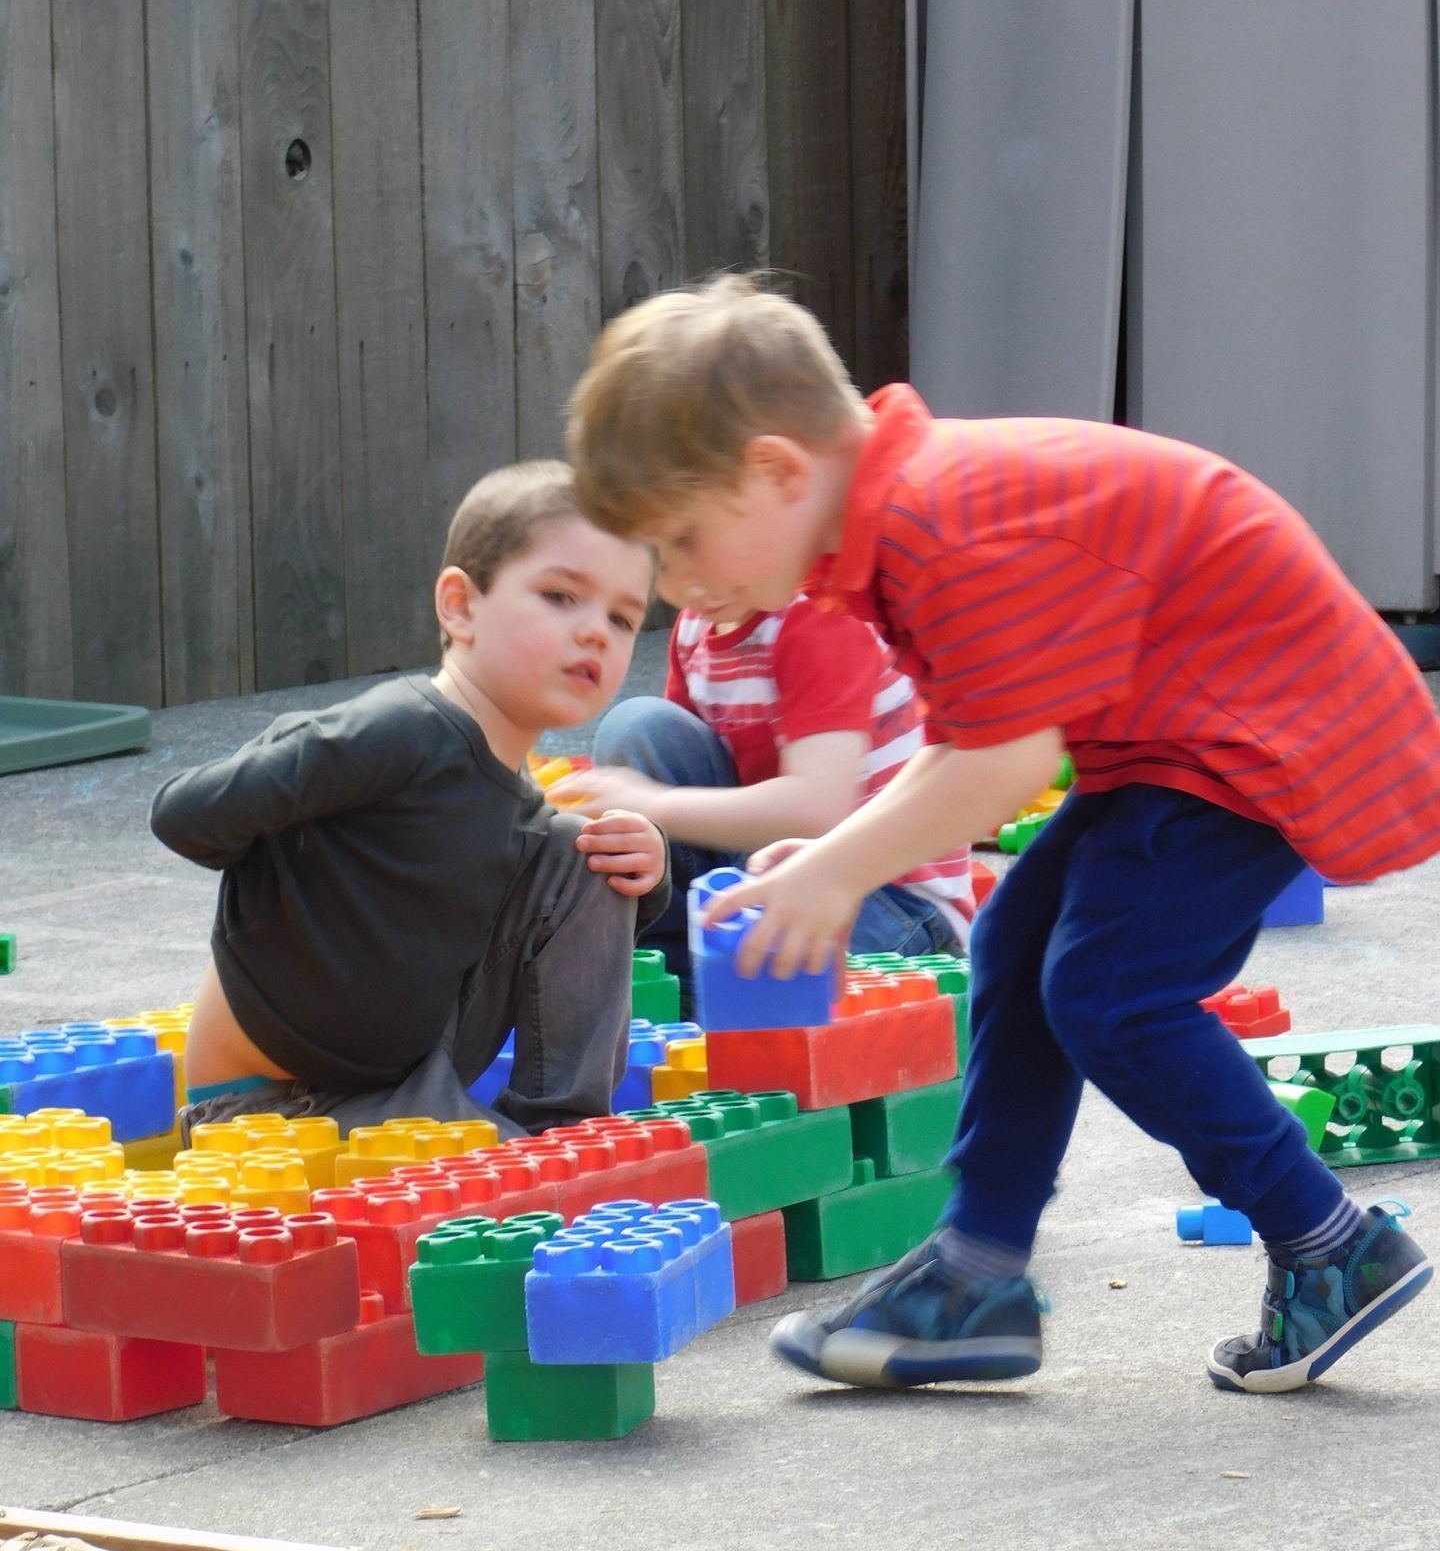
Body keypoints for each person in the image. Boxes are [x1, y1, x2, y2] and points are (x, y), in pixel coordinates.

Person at [565, 274, 1440, 1395]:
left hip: (1265, 733)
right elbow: (970, 737)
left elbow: (1010, 763)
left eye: (682, 542)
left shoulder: (941, 520)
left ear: (776, 471)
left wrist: (844, 867)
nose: (680, 584)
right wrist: (848, 847)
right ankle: (978, 1269)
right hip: (1188, 734)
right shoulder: (900, 524)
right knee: (1017, 948)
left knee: (1108, 994)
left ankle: (1329, 1241)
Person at [152, 461, 667, 1143]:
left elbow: (563, 896)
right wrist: (283, 864)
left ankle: (563, 1129)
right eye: (561, 596)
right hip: (271, 1106)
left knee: (587, 850)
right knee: (512, 1179)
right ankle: (532, 1159)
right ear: (460, 606)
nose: (597, 631)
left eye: (623, 617)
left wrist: (645, 862)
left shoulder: (511, 793)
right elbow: (184, 812)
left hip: (408, 1066)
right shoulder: (394, 731)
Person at [552, 592, 972, 994]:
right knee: (641, 727)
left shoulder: (824, 617)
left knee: (762, 973)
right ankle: (675, 969)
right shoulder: (696, 624)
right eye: (669, 556)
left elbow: (815, 810)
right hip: (763, 863)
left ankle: (722, 983)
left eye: (702, 539)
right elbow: (684, 781)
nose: (691, 580)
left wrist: (652, 803)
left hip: (886, 895)